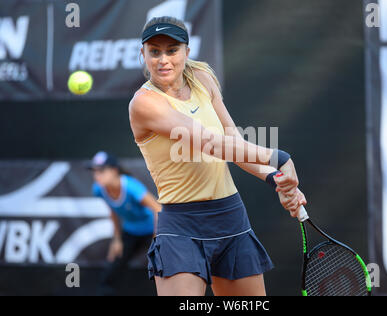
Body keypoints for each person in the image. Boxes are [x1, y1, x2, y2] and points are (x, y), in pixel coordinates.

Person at [128, 16, 307, 296]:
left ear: (187, 52)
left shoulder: (202, 78)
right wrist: (279, 156)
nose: (163, 59)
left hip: (231, 217)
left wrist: (274, 178)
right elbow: (209, 143)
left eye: (172, 50)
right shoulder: (144, 103)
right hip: (181, 226)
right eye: (155, 51)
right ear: (143, 54)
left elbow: (233, 143)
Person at [88, 151, 162, 296]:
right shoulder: (98, 189)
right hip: (130, 232)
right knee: (112, 266)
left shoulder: (131, 187)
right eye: (94, 171)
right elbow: (113, 211)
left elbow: (158, 209)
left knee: (161, 267)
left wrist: (157, 240)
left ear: (114, 170)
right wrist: (116, 239)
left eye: (101, 170)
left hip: (151, 231)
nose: (97, 175)